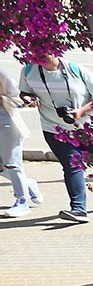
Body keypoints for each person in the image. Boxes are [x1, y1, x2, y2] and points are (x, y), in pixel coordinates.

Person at [19, 54, 93, 223]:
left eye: (44, 52)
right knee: (72, 166)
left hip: (89, 128)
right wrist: (28, 99)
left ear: (54, 52)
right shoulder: (29, 71)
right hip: (54, 128)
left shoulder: (76, 70)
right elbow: (24, 92)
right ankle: (78, 210)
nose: (40, 57)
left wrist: (80, 112)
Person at [0, 66, 42, 218]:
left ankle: (22, 201)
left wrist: (1, 98)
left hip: (5, 123)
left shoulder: (1, 73)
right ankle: (27, 184)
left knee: (12, 162)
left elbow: (17, 99)